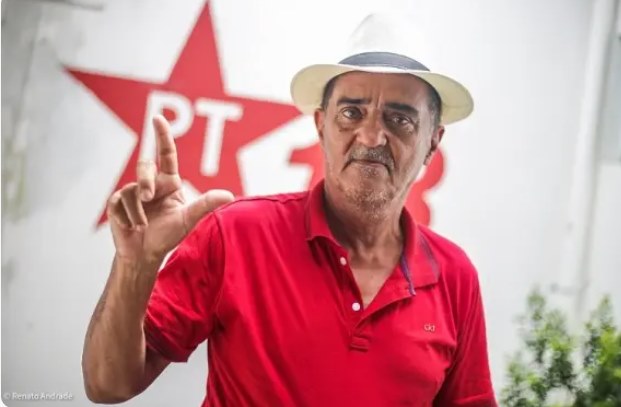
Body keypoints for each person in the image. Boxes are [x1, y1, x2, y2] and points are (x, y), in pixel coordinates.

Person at [82, 50, 497, 406]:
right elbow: (108, 384)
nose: (372, 136)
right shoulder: (236, 233)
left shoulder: (455, 276)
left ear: (432, 141)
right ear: (320, 125)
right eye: (351, 113)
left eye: (400, 119)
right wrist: (136, 265)